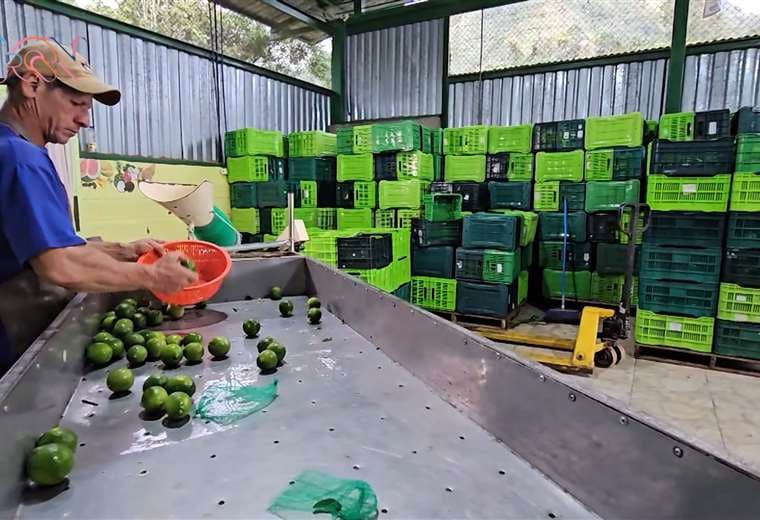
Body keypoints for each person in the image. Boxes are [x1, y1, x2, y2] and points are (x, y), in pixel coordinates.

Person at [0, 40, 197, 371]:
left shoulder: (16, 149)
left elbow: (51, 248)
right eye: (76, 103)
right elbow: (59, 265)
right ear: (32, 85)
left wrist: (123, 250)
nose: (84, 120)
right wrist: (152, 275)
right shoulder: (20, 159)